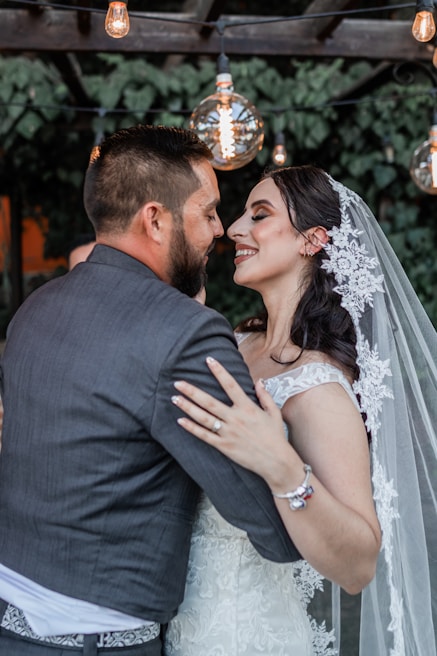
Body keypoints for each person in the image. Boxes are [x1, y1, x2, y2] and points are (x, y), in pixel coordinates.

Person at [0, 125, 304, 656]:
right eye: (208, 212)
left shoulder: (36, 307)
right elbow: (275, 533)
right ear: (156, 219)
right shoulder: (186, 331)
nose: (220, 229)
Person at [165, 166, 437, 656]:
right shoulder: (235, 342)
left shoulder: (318, 387)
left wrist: (284, 468)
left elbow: (358, 566)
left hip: (246, 638)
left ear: (312, 240)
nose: (233, 229)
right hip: (181, 623)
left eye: (260, 215)